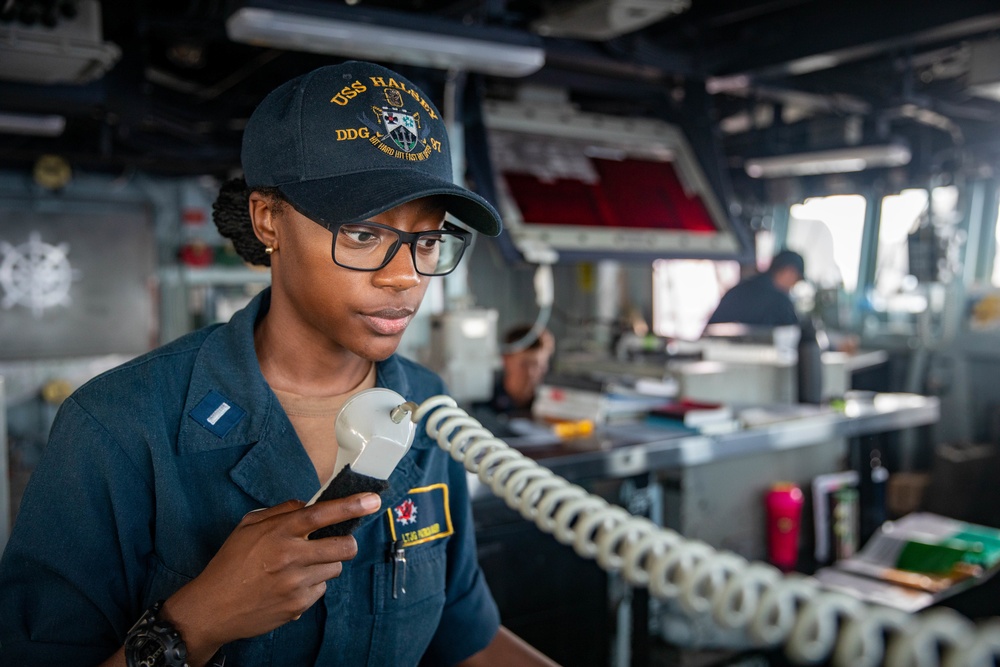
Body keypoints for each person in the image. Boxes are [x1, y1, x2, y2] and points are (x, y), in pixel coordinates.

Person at [0, 61, 559, 667]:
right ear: (270, 220)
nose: (406, 277)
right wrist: (196, 621)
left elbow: (465, 638)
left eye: (426, 242)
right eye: (365, 234)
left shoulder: (427, 407)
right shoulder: (118, 426)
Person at [705, 249, 805, 330]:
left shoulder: (739, 290)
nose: (794, 284)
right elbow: (793, 337)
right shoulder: (780, 302)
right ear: (789, 271)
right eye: (796, 279)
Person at [476, 325, 554, 421]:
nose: (531, 373)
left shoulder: (553, 407)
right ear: (506, 360)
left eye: (537, 365)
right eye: (524, 365)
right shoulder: (483, 404)